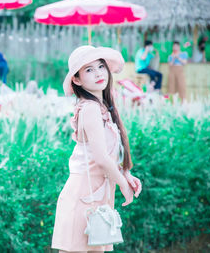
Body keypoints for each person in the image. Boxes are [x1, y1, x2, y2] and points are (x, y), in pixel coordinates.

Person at [52, 45, 142, 252]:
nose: (99, 73)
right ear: (77, 79)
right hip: (82, 194)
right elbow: (100, 158)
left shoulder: (103, 108)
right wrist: (123, 185)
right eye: (89, 70)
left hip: (97, 196)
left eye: (100, 66)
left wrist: (125, 173)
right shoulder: (90, 108)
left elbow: (109, 153)